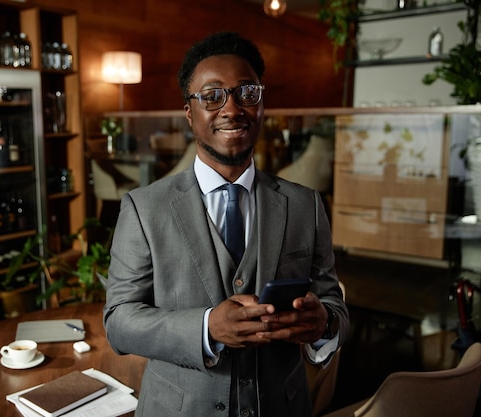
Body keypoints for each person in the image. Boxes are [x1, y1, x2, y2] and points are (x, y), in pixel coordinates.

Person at [103, 31, 349, 417]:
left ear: (261, 103)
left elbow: (333, 301)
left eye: (246, 93)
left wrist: (326, 322)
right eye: (213, 95)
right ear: (189, 112)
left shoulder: (305, 204)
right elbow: (119, 322)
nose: (232, 109)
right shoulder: (143, 208)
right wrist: (205, 329)